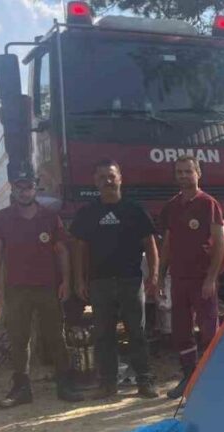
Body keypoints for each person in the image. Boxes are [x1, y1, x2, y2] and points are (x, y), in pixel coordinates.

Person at [0, 170, 82, 407]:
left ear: (35, 188)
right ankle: (21, 388)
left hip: (47, 287)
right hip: (16, 289)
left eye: (28, 187)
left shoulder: (50, 217)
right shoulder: (2, 218)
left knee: (55, 337)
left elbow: (62, 251)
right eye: (19, 187)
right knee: (19, 338)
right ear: (13, 189)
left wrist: (66, 282)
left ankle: (65, 383)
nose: (24, 191)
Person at [69, 160, 159, 398]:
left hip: (131, 281)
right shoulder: (87, 213)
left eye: (111, 176)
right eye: (101, 177)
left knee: (137, 333)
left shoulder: (134, 210)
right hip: (100, 283)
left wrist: (154, 274)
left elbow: (150, 244)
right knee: (103, 334)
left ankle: (145, 381)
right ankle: (107, 384)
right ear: (95, 182)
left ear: (120, 178)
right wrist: (79, 280)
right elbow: (79, 249)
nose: (107, 181)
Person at [159, 155, 224, 399]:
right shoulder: (172, 206)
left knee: (209, 329)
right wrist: (160, 275)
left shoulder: (209, 204)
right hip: (178, 279)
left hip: (201, 279)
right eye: (180, 172)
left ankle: (214, 378)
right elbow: (167, 243)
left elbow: (219, 244)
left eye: (189, 171)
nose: (184, 176)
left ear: (198, 173)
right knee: (181, 330)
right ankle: (188, 378)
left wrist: (211, 278)